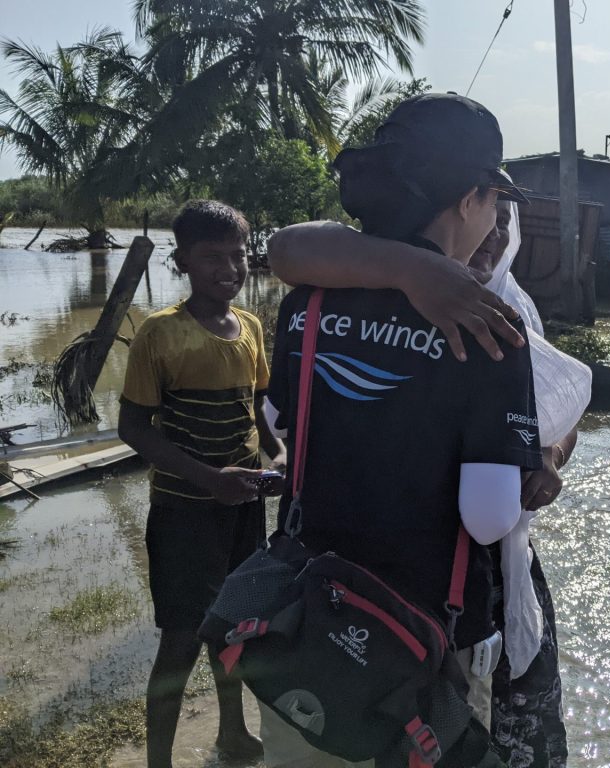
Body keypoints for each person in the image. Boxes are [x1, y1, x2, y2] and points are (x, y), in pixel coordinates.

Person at [261, 93, 543, 767]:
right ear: (471, 199)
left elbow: (276, 422)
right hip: (418, 642)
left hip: (308, 622)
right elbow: (488, 516)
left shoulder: (306, 303)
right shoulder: (489, 327)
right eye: (494, 203)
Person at [117, 200, 286, 768]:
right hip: (184, 511)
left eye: (238, 255)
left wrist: (279, 455)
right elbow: (133, 427)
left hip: (241, 508)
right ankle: (158, 762)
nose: (229, 268)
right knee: (182, 639)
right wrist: (210, 479)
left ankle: (232, 734)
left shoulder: (252, 327)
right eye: (212, 256)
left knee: (233, 627)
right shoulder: (160, 334)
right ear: (182, 260)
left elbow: (255, 409)